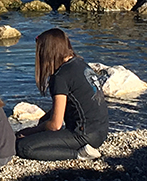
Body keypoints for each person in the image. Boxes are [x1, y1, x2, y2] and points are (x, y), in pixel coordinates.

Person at [15, 28, 108, 161]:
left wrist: (28, 132)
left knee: (24, 147)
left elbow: (55, 125)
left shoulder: (60, 77)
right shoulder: (79, 63)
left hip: (84, 135)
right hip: (101, 131)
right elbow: (68, 104)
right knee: (42, 125)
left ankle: (79, 155)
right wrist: (43, 122)